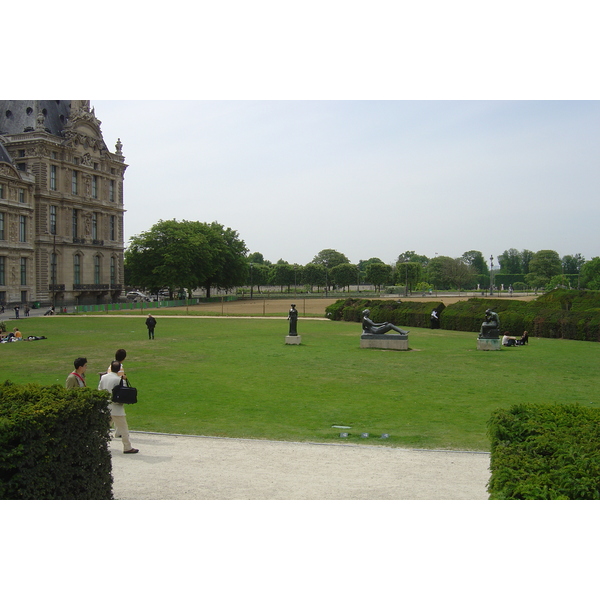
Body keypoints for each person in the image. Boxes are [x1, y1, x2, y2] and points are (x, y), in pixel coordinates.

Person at [98, 360, 139, 454]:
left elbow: (99, 389)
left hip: (105, 407)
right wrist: (124, 379)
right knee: (124, 428)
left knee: (104, 428)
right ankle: (127, 447)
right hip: (116, 408)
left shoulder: (103, 377)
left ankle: (100, 445)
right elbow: (124, 393)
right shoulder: (119, 379)